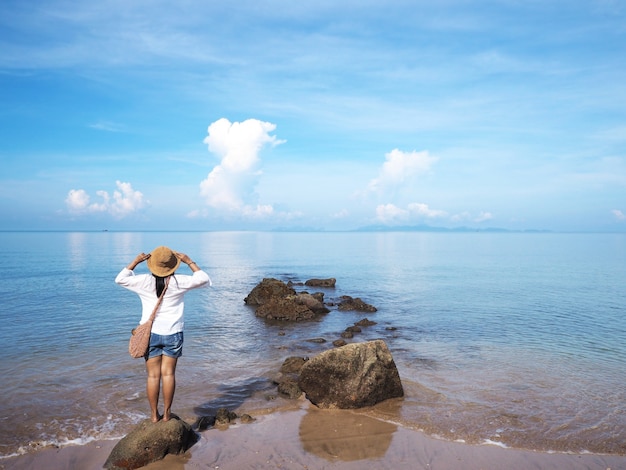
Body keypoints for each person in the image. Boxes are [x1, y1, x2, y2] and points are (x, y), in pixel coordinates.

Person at [115, 246, 211, 422]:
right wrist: (189, 261)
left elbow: (120, 279)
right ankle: (167, 414)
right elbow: (204, 279)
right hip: (173, 333)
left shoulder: (143, 281)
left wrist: (136, 262)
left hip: (150, 334)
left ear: (152, 265)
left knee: (153, 376)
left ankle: (153, 415)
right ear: (172, 265)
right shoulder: (179, 282)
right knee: (168, 374)